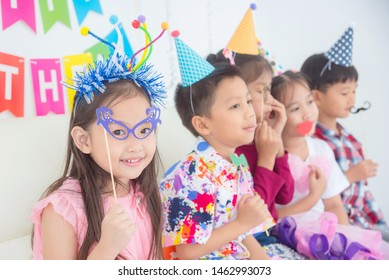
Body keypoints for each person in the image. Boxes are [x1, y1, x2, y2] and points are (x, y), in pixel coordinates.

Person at [31, 18, 168, 259]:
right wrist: (107, 248)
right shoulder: (63, 209)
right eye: (118, 132)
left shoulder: (144, 194)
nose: (136, 145)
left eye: (145, 130)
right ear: (84, 140)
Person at [160, 32, 273, 260]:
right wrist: (243, 222)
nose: (250, 112)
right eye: (235, 106)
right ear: (202, 124)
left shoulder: (236, 163)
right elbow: (187, 251)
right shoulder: (191, 176)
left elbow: (243, 234)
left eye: (248, 101)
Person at [205, 4, 296, 256]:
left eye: (269, 89)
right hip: (247, 243)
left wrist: (277, 146)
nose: (269, 98)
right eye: (261, 91)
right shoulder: (229, 148)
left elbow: (286, 196)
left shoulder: (263, 136)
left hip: (272, 236)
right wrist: (266, 158)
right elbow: (256, 216)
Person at [270, 70, 389, 260]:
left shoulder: (321, 149)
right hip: (287, 233)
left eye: (309, 102)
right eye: (295, 109)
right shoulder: (271, 155)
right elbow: (270, 215)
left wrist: (347, 242)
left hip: (325, 230)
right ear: (274, 116)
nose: (307, 113)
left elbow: (334, 205)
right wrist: (314, 196)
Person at [300, 26, 389, 241]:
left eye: (354, 91)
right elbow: (316, 192)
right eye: (344, 93)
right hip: (338, 225)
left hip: (365, 223)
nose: (352, 100)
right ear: (317, 97)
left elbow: (365, 193)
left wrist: (380, 223)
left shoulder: (350, 140)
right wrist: (351, 176)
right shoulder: (311, 143)